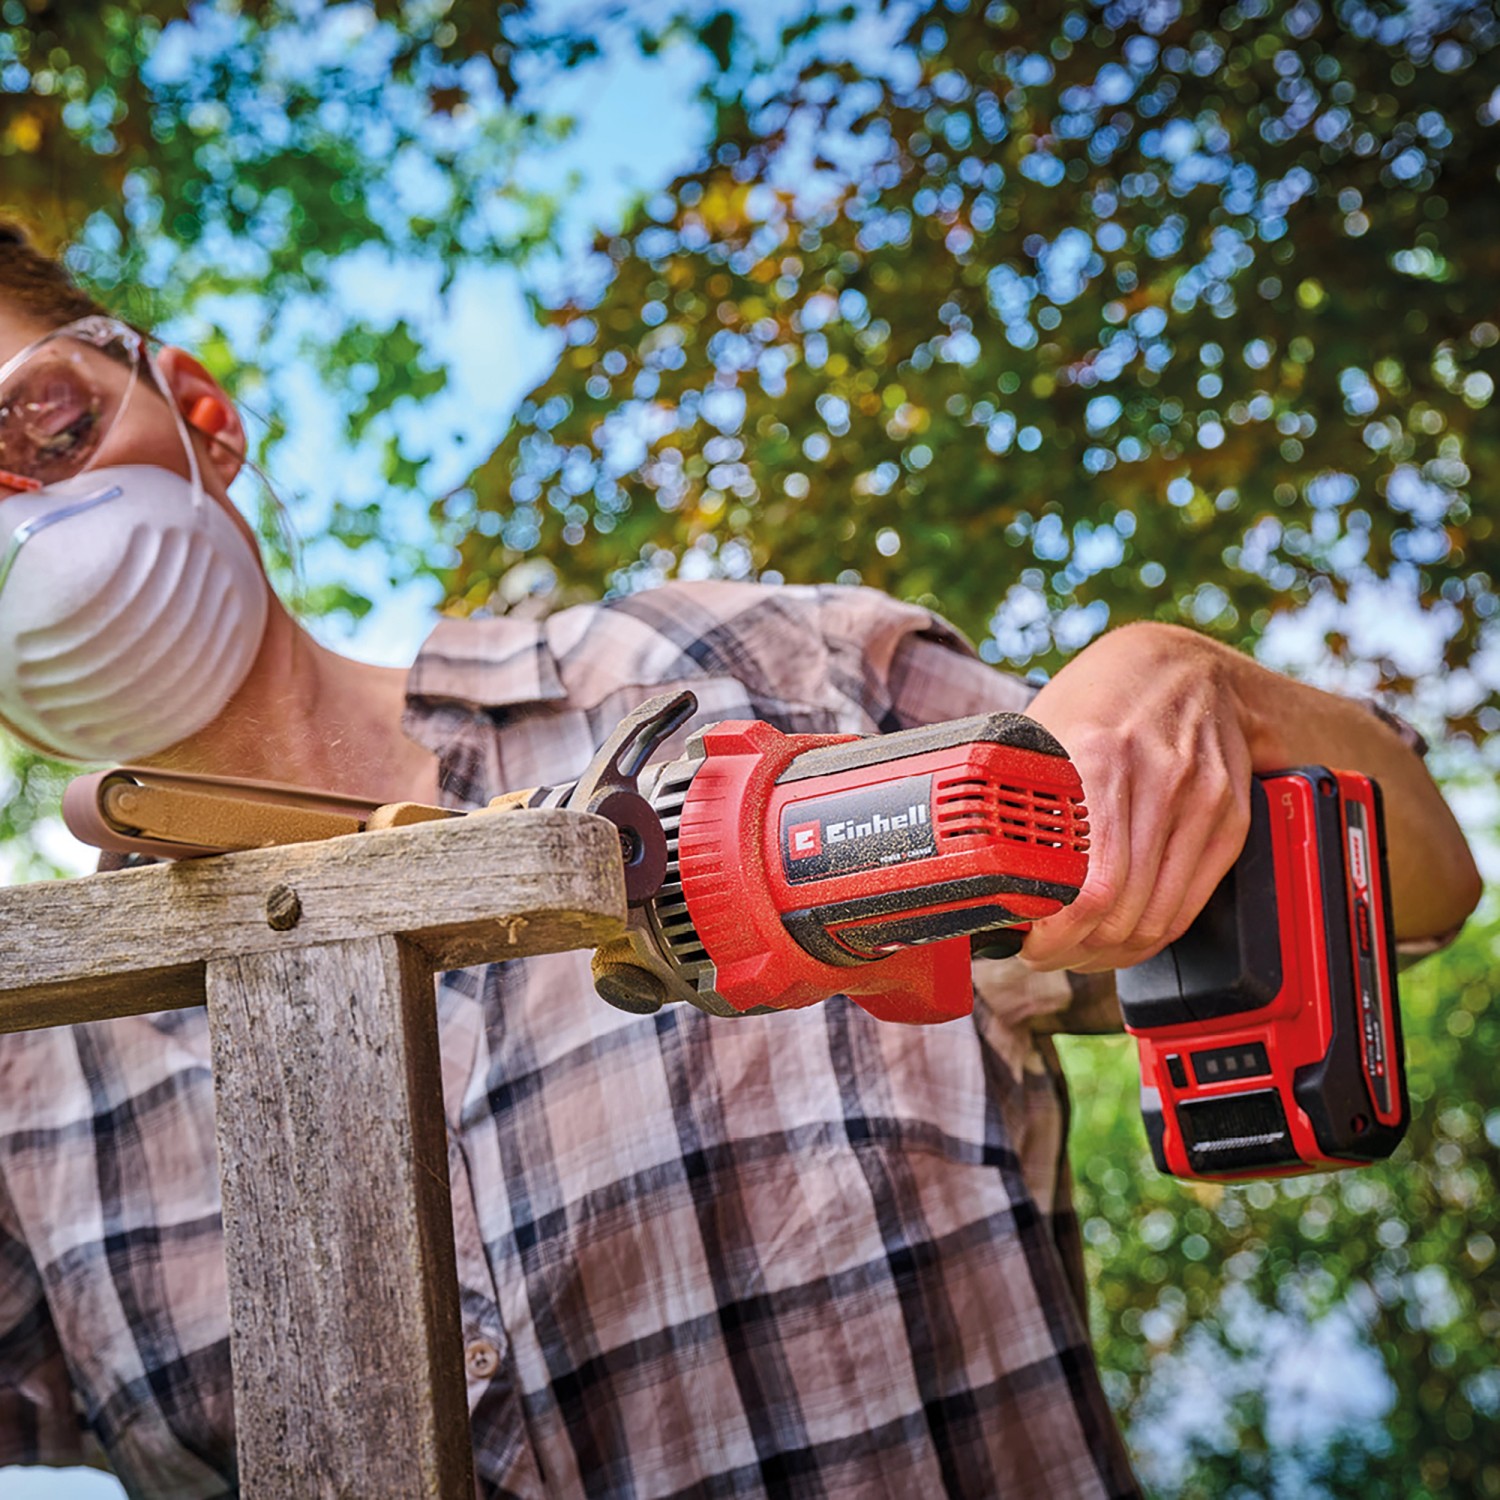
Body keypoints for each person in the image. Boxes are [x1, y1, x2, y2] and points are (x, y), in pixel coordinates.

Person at [0, 222, 1480, 1500]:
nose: (32, 523)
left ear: (198, 410)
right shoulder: (26, 1069)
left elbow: (1419, 887)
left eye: (42, 427)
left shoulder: (749, 676)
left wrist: (1205, 692)